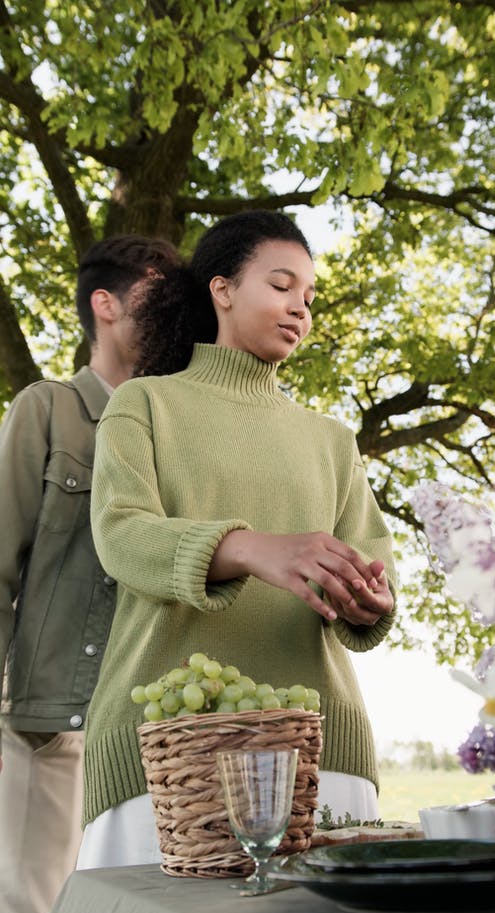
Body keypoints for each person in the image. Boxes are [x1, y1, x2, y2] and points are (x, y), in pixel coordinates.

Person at [77, 209, 397, 871]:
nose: (299, 308)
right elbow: (121, 534)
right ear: (221, 289)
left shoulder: (333, 441)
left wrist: (372, 597)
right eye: (281, 285)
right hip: (166, 754)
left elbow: (374, 558)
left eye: (308, 297)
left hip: (323, 754)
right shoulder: (143, 405)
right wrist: (253, 548)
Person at [0, 233, 181, 913]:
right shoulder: (44, 409)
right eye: (157, 290)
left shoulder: (175, 430)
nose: (176, 308)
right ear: (106, 304)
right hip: (48, 724)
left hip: (146, 732)